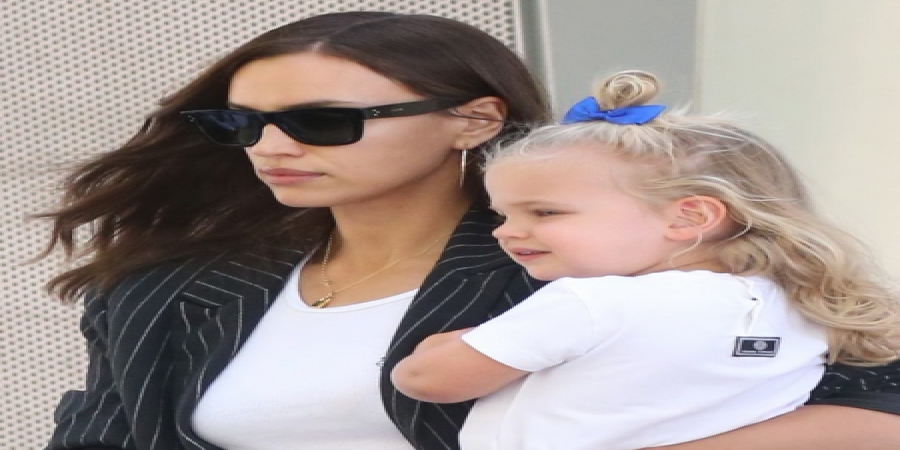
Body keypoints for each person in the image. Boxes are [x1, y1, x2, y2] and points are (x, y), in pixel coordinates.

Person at [40, 10, 900, 450]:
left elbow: (878, 412)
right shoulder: (165, 289)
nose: (272, 147)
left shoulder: (602, 268)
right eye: (242, 124)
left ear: (474, 120)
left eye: (320, 121)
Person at [391, 70, 900, 450]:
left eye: (545, 212)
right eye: (503, 214)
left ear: (689, 217)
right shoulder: (809, 309)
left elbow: (426, 381)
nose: (506, 232)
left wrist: (445, 343)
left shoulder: (589, 302)